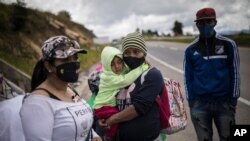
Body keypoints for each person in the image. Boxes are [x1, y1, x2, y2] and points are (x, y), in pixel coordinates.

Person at [20, 35, 102, 141]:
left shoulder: (70, 89)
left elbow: (80, 127)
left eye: (75, 57)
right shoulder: (37, 104)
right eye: (66, 59)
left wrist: (94, 136)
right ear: (48, 66)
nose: (73, 63)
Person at [184, 7, 240, 141]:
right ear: (197, 25)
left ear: (215, 22)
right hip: (200, 104)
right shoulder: (190, 49)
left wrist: (233, 99)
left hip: (224, 103)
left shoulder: (228, 44)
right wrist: (191, 101)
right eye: (201, 23)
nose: (205, 25)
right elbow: (188, 77)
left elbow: (235, 73)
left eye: (208, 21)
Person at [99, 32, 165, 141]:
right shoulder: (120, 75)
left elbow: (139, 107)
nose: (131, 56)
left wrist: (110, 120)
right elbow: (105, 99)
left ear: (143, 53)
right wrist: (100, 118)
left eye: (136, 52)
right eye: (127, 52)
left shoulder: (153, 74)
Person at [93, 46, 148, 140]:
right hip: (103, 107)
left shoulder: (116, 72)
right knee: (114, 120)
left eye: (119, 62)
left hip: (106, 106)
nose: (117, 66)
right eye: (112, 64)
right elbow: (126, 80)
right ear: (106, 65)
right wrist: (142, 68)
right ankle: (108, 137)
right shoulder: (108, 77)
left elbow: (127, 71)